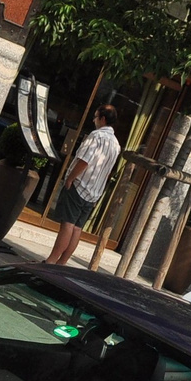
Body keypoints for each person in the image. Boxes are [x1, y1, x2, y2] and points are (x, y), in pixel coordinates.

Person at [45, 105, 121, 266]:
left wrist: (70, 178)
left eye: (95, 117)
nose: (93, 120)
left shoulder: (97, 136)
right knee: (77, 228)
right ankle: (62, 262)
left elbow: (84, 160)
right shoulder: (115, 144)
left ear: (103, 119)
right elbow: (108, 171)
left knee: (67, 225)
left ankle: (51, 261)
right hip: (94, 190)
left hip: (80, 184)